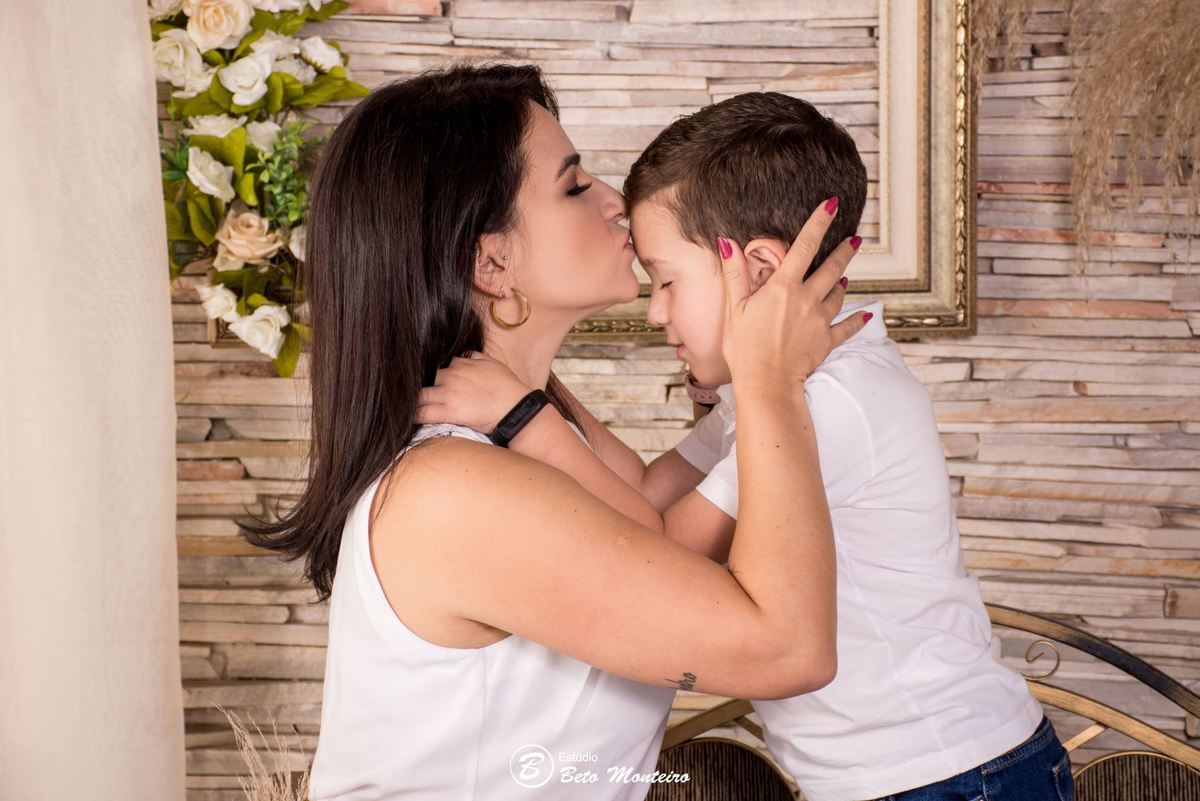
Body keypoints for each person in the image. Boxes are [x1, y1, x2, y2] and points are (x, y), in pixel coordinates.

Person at [238, 64, 868, 800]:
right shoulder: (452, 491)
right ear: (491, 260)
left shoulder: (532, 424)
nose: (615, 204)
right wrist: (767, 378)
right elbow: (787, 648)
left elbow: (646, 514)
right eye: (574, 185)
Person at [426, 92, 1075, 801]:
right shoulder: (777, 387)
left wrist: (524, 416)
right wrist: (531, 378)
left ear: (759, 270)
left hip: (949, 775)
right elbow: (645, 492)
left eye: (668, 280)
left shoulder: (825, 399)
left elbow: (666, 549)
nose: (655, 310)